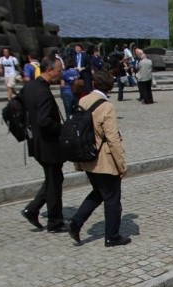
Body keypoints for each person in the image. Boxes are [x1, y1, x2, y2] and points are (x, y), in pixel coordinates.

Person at [68, 70, 131, 248]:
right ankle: (112, 236)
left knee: (98, 193)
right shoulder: (107, 107)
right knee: (112, 199)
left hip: (87, 157)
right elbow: (112, 138)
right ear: (111, 87)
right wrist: (122, 165)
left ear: (94, 84)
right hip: (104, 160)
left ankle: (76, 222)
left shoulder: (84, 100)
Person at [19, 56, 67, 233]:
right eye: (59, 70)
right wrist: (62, 129)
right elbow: (45, 121)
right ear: (49, 70)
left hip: (36, 142)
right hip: (48, 145)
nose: (60, 73)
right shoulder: (44, 92)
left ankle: (32, 209)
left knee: (54, 178)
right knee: (54, 182)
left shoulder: (30, 86)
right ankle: (55, 222)